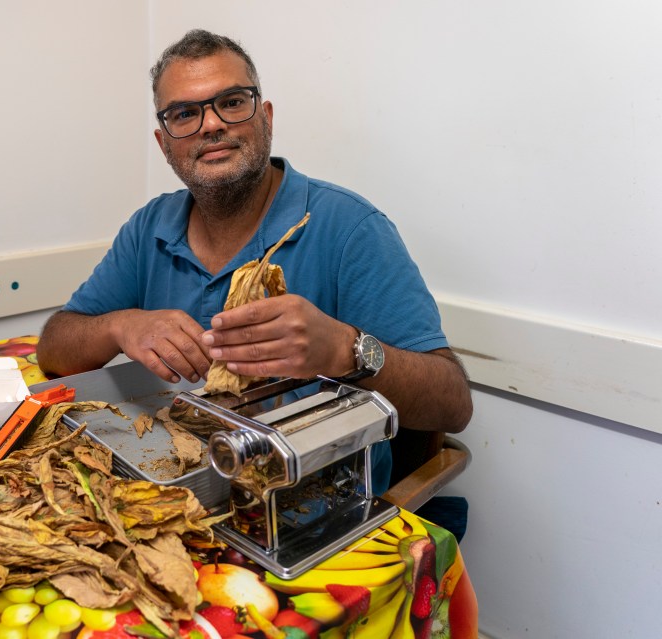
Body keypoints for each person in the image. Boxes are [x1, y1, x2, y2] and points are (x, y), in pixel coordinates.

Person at [37, 29, 472, 493]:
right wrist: (119, 325)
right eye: (185, 113)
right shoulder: (149, 228)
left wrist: (345, 349)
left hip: (308, 502)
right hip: (173, 486)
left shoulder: (350, 228)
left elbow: (453, 404)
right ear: (165, 146)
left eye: (231, 102)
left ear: (265, 118)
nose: (211, 125)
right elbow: (54, 348)